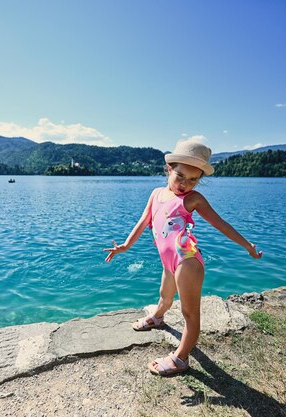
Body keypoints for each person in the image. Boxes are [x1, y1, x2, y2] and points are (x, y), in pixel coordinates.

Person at [104, 139, 263, 376]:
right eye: (180, 176)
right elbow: (144, 220)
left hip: (187, 262)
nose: (185, 184)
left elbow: (222, 225)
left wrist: (247, 245)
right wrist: (126, 245)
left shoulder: (193, 199)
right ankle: (158, 318)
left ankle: (181, 358)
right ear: (169, 169)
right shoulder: (157, 194)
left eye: (193, 180)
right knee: (164, 296)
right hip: (169, 261)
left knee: (190, 314)